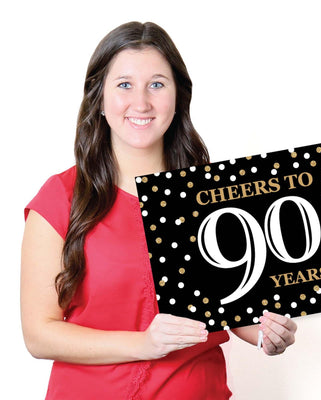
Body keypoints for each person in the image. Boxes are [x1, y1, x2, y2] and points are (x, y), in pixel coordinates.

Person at [21, 21, 297, 399]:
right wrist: (144, 344)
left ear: (178, 96)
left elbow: (235, 309)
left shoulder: (214, 196)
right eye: (124, 85)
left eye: (156, 84)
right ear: (99, 98)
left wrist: (269, 332)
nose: (141, 103)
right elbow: (39, 334)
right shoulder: (61, 198)